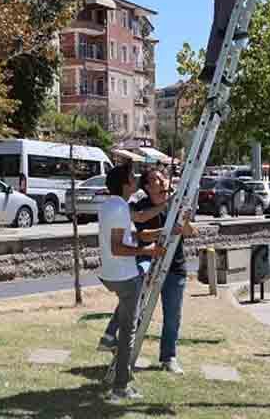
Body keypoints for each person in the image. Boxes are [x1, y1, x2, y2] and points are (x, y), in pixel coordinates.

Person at [97, 163, 166, 400]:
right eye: (131, 176)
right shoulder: (119, 208)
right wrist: (147, 252)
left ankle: (109, 341)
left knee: (127, 332)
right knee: (129, 333)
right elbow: (118, 247)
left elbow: (131, 234)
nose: (135, 178)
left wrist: (158, 233)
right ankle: (121, 387)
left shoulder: (113, 205)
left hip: (111, 274)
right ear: (125, 183)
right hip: (124, 276)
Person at [133, 167, 196, 373]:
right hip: (149, 264)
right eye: (156, 180)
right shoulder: (143, 207)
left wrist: (184, 221)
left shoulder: (176, 206)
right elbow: (141, 235)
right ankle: (128, 350)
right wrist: (165, 231)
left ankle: (168, 357)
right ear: (147, 187)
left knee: (173, 316)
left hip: (175, 268)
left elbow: (191, 232)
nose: (162, 182)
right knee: (138, 310)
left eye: (163, 178)